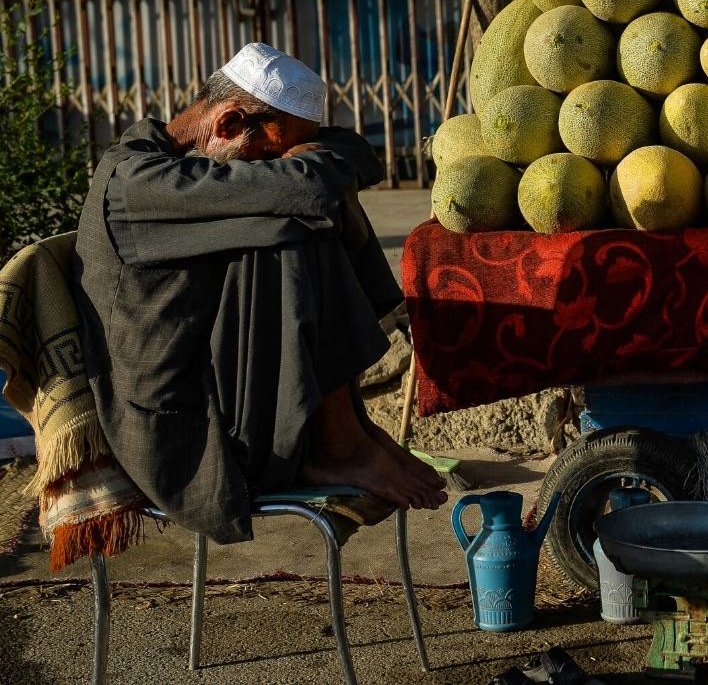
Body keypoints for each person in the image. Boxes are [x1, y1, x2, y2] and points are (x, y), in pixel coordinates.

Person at [71, 43, 446, 545]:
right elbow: (308, 189)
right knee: (292, 226)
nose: (271, 167)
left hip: (225, 379)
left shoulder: (203, 154)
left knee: (298, 214)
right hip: (182, 429)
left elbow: (352, 149)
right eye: (270, 156)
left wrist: (297, 153)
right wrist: (300, 168)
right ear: (227, 125)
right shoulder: (139, 185)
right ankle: (338, 444)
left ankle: (344, 435)